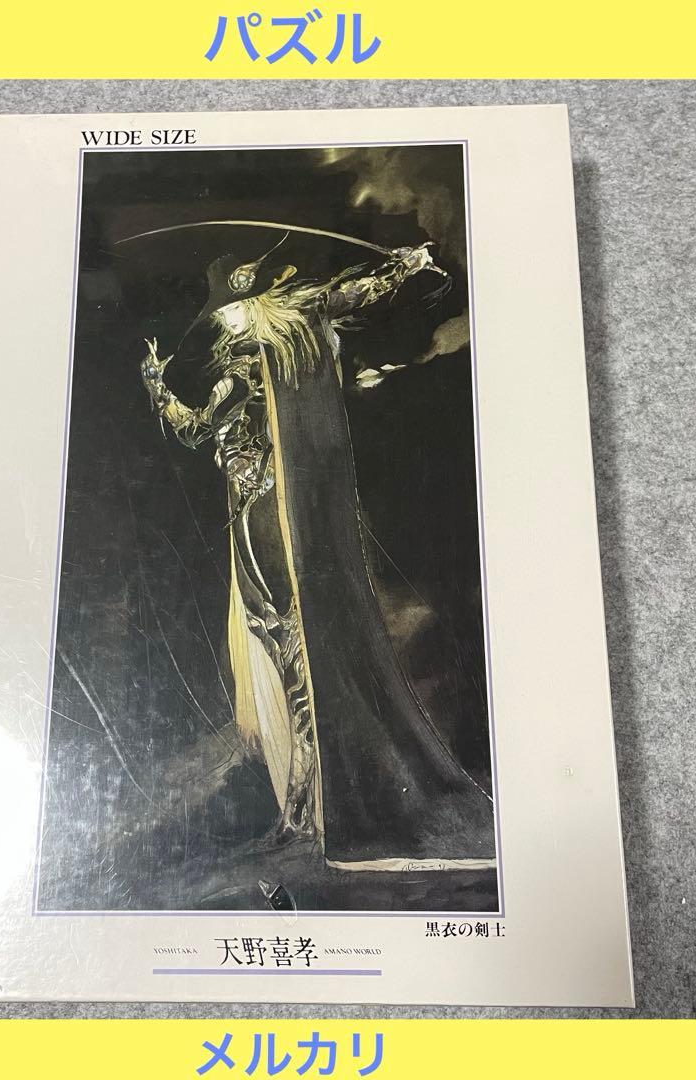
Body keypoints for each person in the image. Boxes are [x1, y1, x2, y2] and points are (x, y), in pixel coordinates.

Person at [139, 239, 496, 871]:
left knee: (301, 652)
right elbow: (197, 430)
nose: (226, 321)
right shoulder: (238, 373)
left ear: (259, 304)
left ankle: (315, 808)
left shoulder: (293, 345)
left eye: (234, 308)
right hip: (249, 521)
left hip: (283, 520)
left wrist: (407, 264)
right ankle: (301, 809)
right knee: (282, 648)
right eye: (223, 313)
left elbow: (348, 292)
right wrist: (158, 387)